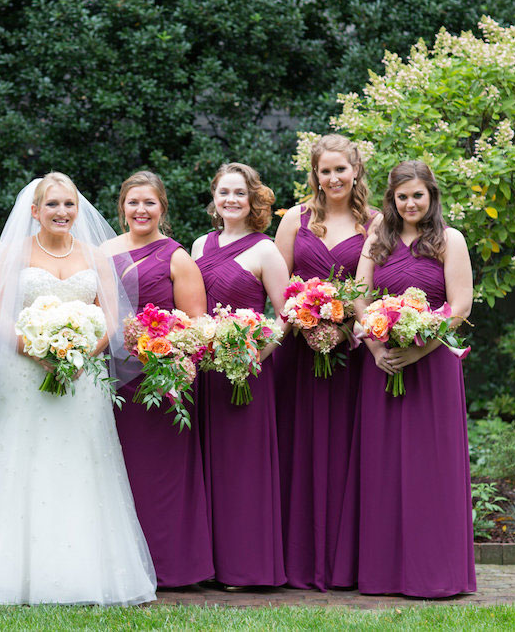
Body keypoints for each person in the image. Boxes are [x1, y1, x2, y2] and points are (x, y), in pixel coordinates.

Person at [0, 173, 157, 605]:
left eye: (69, 204)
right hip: (23, 372)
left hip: (83, 374)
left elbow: (111, 315)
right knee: (23, 460)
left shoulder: (95, 254)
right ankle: (12, 578)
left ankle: (86, 576)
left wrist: (82, 353)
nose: (62, 212)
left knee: (82, 460)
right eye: (52, 205)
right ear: (34, 212)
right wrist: (36, 348)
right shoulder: (14, 254)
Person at [351, 160, 475, 598]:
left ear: (431, 196)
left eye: (417, 195)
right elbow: (359, 298)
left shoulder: (449, 240)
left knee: (431, 468)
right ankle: (384, 575)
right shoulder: (377, 238)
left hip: (433, 364)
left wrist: (418, 347)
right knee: (383, 468)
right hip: (384, 365)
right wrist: (379, 348)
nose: (409, 204)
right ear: (391, 198)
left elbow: (459, 306)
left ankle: (436, 574)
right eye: (402, 196)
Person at [272, 135, 376, 590]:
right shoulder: (296, 219)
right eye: (324, 171)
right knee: (301, 447)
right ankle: (297, 559)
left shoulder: (376, 222)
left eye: (340, 170)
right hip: (299, 353)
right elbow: (279, 289)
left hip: (352, 355)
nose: (332, 178)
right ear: (314, 174)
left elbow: (370, 290)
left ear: (356, 170)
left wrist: (342, 324)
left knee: (348, 450)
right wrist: (306, 319)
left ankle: (346, 562)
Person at [101, 171, 213, 588]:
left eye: (149, 203)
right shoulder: (103, 252)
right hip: (112, 383)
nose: (141, 210)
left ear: (162, 207)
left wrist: (175, 356)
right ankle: (121, 566)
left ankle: (170, 567)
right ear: (122, 208)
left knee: (162, 474)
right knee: (117, 471)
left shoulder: (176, 257)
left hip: (160, 381)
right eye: (133, 203)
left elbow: (196, 322)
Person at [192, 162, 288, 589]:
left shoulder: (266, 250)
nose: (231, 199)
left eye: (239, 193)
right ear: (214, 198)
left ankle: (247, 567)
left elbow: (288, 316)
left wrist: (254, 358)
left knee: (244, 469)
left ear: (253, 200)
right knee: (204, 466)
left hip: (248, 375)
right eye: (224, 192)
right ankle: (208, 564)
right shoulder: (198, 245)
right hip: (204, 375)